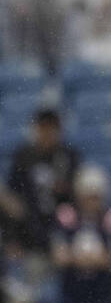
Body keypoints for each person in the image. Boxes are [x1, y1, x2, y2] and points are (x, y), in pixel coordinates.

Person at [51, 166, 111, 303]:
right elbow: (59, 257)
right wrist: (92, 260)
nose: (91, 202)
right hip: (73, 289)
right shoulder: (66, 216)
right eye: (87, 196)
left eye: (95, 196)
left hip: (102, 290)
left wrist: (79, 259)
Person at [8, 108, 79, 255]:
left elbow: (76, 192)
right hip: (29, 223)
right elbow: (13, 192)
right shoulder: (23, 156)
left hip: (61, 225)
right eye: (43, 128)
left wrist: (65, 189)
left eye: (51, 129)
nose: (47, 134)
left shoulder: (68, 156)